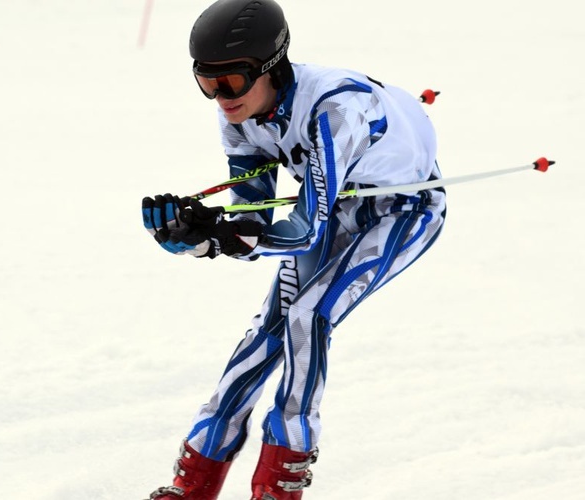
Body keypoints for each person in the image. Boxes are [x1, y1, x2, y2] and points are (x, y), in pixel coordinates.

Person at [141, 0, 446, 498]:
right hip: (333, 210)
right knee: (268, 331)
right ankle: (193, 481)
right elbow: (252, 225)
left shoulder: (336, 108)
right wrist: (197, 239)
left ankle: (281, 481)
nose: (220, 98)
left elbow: (301, 232)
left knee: (309, 317)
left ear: (271, 67)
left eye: (232, 81)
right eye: (205, 82)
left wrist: (222, 235)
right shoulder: (239, 119)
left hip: (401, 211)